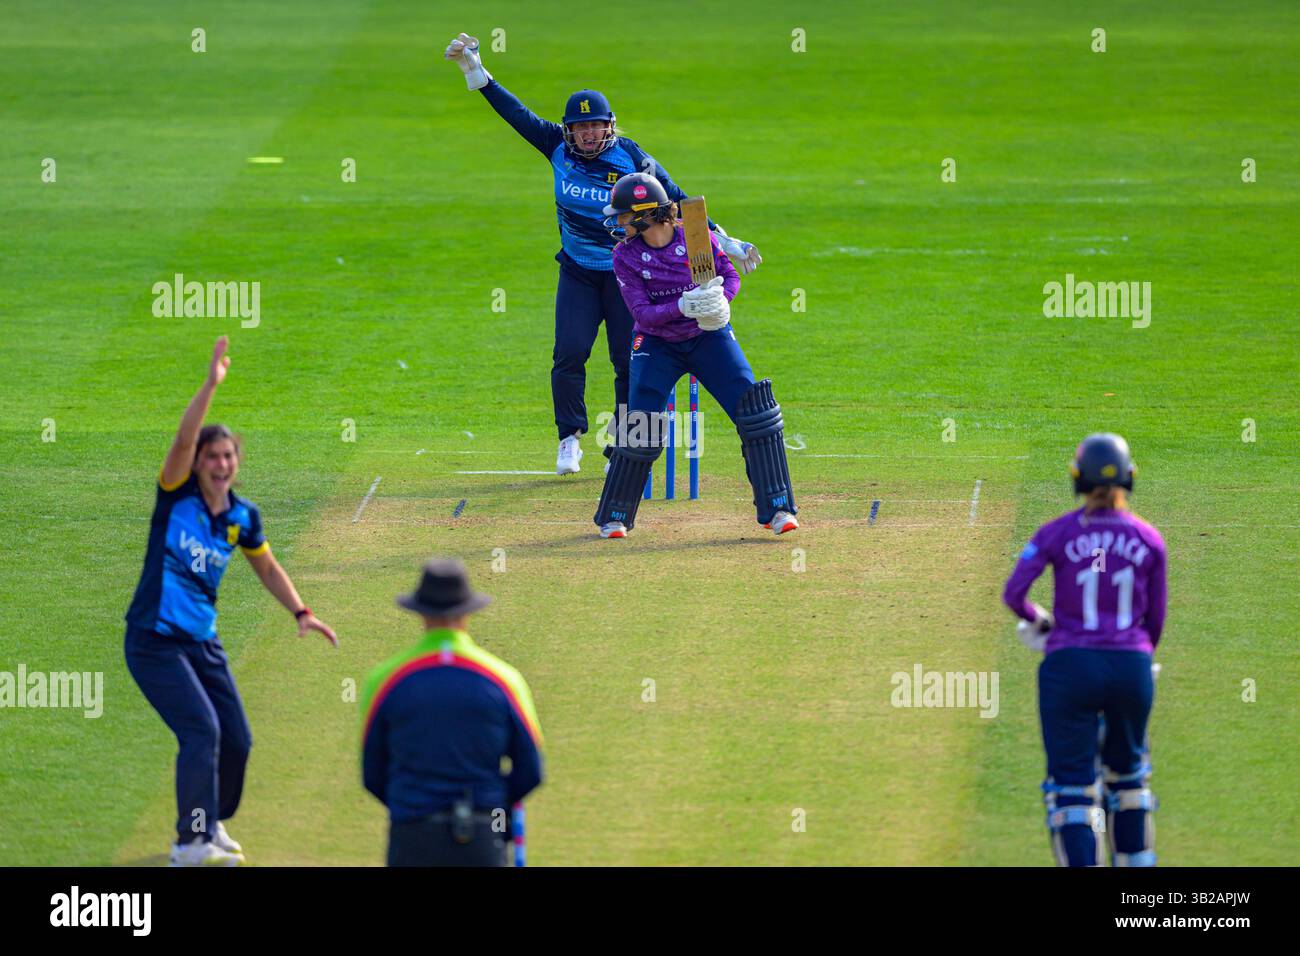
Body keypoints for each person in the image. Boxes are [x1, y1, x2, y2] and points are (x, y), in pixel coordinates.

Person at [443, 32, 762, 476]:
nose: (589, 133)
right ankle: (568, 439)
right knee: (569, 353)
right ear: (569, 128)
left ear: (609, 125)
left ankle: (626, 449)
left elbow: (679, 200)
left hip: (625, 274)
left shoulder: (632, 158)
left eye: (596, 126)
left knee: (628, 358)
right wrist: (476, 72)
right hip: (577, 271)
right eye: (580, 126)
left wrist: (725, 242)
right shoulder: (555, 145)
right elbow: (516, 115)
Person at [124, 336, 338, 867]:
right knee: (201, 730)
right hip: (154, 640)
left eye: (228, 456)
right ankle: (188, 843)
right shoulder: (175, 494)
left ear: (237, 461)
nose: (220, 464)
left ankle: (209, 821)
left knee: (236, 739)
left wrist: (301, 611)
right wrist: (210, 385)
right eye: (211, 456)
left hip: (202, 641)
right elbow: (181, 438)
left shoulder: (242, 516)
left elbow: (265, 565)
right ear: (197, 463)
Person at [592, 172, 798, 539]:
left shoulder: (695, 235)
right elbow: (642, 315)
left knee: (756, 412)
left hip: (708, 335)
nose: (617, 222)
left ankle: (778, 508)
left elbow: (728, 275)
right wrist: (683, 305)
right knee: (641, 423)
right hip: (657, 344)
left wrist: (722, 303)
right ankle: (616, 515)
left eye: (622, 216)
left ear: (644, 215)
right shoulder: (624, 255)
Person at [1003, 433, 1167, 867]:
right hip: (1131, 666)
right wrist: (1133, 654)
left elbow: (1014, 593)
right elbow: (1155, 623)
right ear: (1129, 478)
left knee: (1071, 789)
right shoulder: (1150, 540)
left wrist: (1042, 621)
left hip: (1069, 668)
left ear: (1077, 478)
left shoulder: (1056, 532)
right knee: (1130, 781)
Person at [361, 559, 544, 866]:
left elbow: (372, 774)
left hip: (412, 836)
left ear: (420, 612)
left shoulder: (384, 679)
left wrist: (411, 806)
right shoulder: (504, 678)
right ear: (468, 612)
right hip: (484, 834)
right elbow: (531, 770)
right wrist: (493, 804)